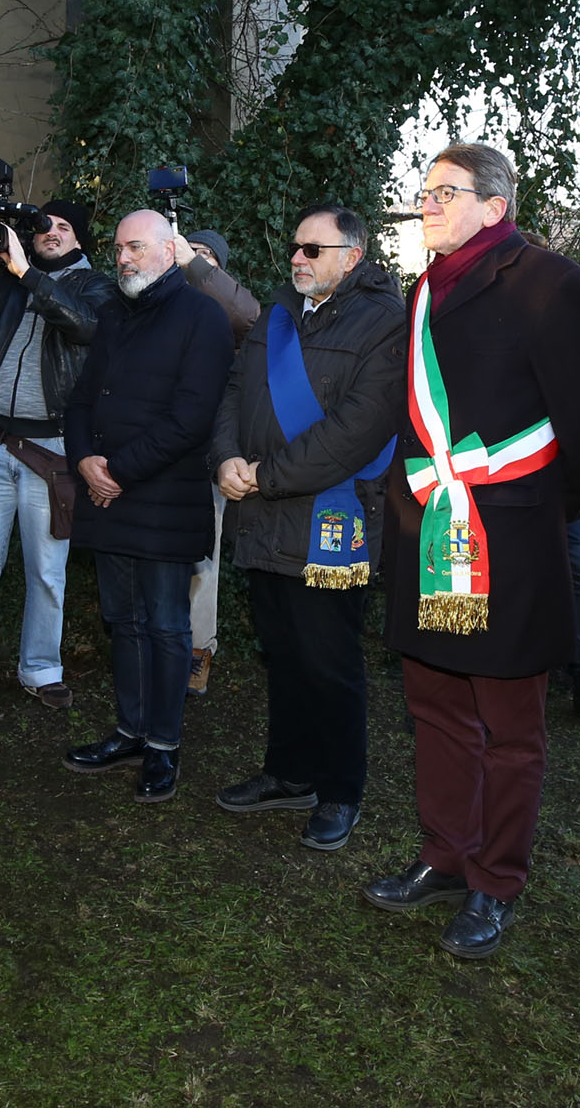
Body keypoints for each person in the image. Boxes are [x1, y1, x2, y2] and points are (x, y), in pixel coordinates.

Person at [362, 143, 580, 959]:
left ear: (495, 206)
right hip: (428, 534)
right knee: (435, 706)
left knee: (509, 725)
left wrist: (540, 511)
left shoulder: (549, 282)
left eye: (446, 191)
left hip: (509, 541)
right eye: (425, 191)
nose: (428, 203)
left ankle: (496, 879)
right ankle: (445, 853)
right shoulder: (425, 290)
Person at [209, 205, 406, 851]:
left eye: (313, 249)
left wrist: (264, 475)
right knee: (284, 654)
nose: (298, 257)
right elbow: (233, 391)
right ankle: (289, 772)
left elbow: (357, 430)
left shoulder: (386, 322)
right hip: (263, 515)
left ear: (352, 257)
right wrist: (225, 458)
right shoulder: (278, 312)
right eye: (296, 246)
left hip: (329, 521)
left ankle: (341, 790)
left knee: (330, 662)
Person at [60, 210, 236, 802]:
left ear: (168, 249)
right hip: (109, 497)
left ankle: (163, 745)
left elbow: (192, 418)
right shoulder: (113, 314)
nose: (123, 258)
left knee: (165, 625)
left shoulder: (203, 317)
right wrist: (84, 460)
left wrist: (118, 472)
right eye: (118, 249)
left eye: (135, 247)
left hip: (165, 500)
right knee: (122, 621)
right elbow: (81, 400)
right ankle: (130, 732)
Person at [0, 199, 117, 724]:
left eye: (64, 227)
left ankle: (41, 669)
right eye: (43, 226)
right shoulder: (0, 283)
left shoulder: (96, 287)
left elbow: (85, 327)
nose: (51, 233)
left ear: (79, 239)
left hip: (54, 451)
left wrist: (27, 274)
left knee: (47, 572)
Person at [174, 226, 259, 696]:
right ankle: (158, 645)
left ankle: (198, 649)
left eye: (205, 254)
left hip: (208, 452)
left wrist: (193, 264)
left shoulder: (227, 312)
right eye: (188, 248)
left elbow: (248, 314)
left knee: (203, 558)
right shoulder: (158, 299)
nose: (193, 256)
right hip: (156, 452)